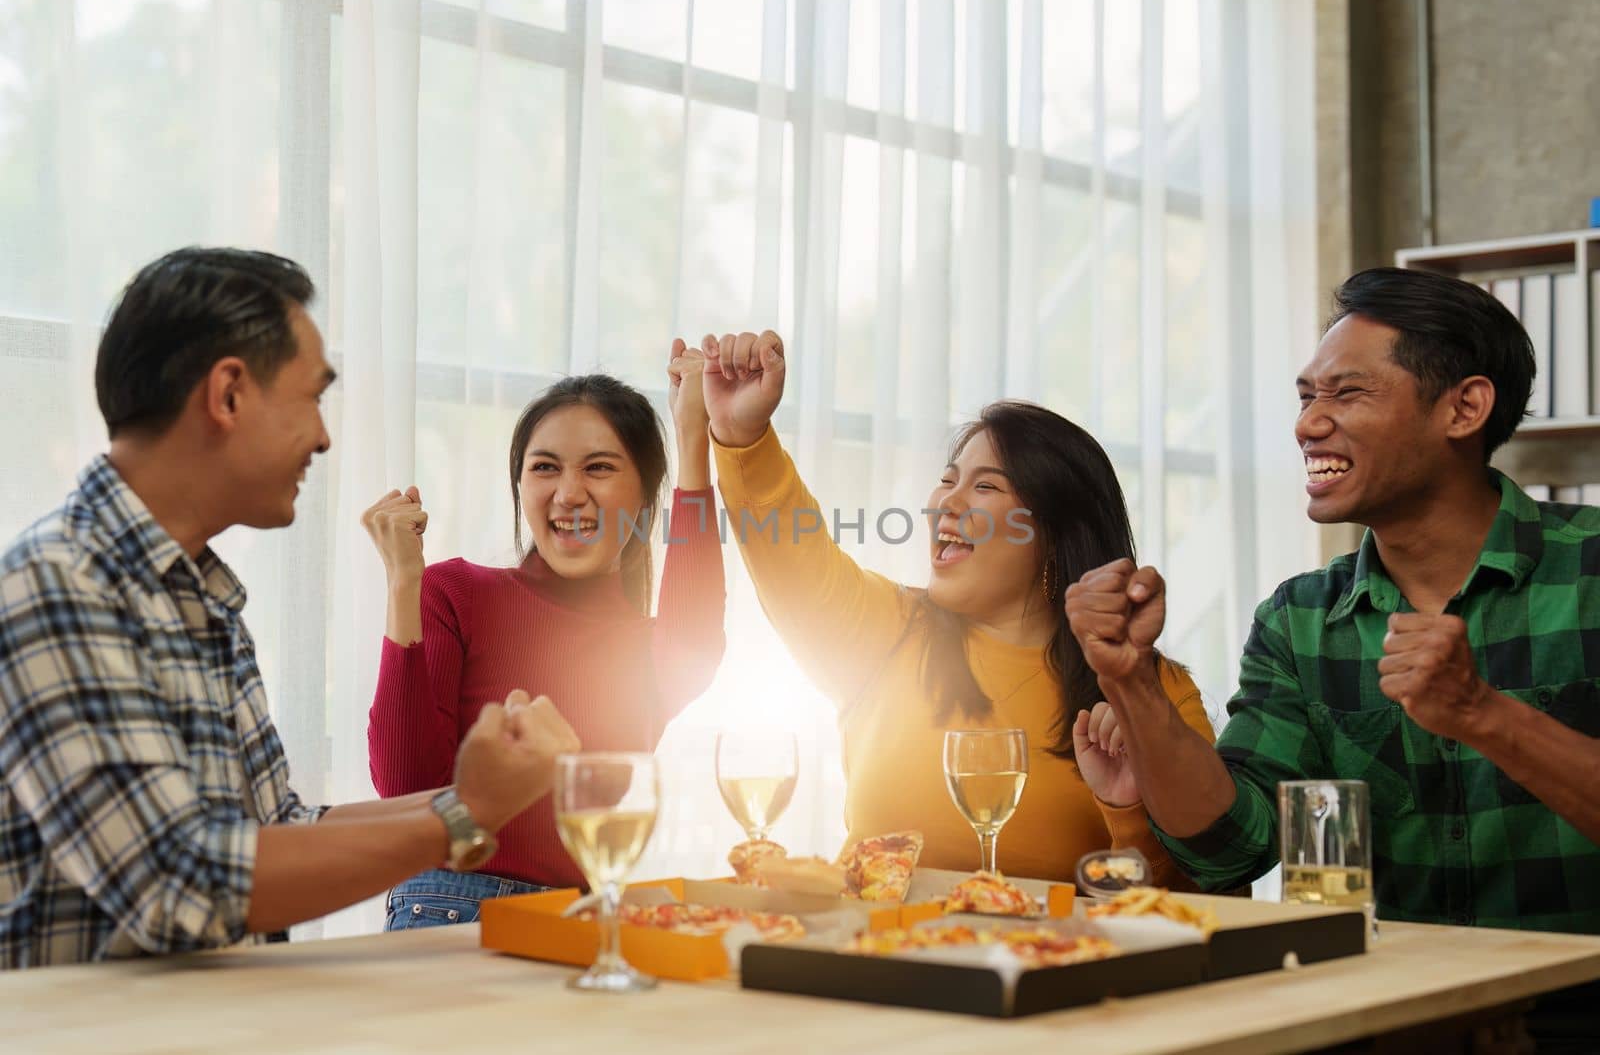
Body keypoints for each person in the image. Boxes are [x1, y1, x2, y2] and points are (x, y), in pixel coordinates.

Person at [0, 248, 580, 969]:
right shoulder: (59, 583)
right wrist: (460, 813)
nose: (325, 435)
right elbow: (181, 883)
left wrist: (475, 797)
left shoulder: (201, 596)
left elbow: (278, 825)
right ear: (229, 395)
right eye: (312, 396)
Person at [1065, 267, 1600, 935]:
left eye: (1346, 393)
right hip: (1391, 1019)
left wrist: (1483, 714)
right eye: (1306, 396)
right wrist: (1128, 678)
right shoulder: (1298, 621)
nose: (1308, 424)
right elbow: (1230, 843)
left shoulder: (1591, 568)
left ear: (1463, 409)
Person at [700, 330, 1214, 884]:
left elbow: (1206, 893)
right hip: (874, 959)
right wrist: (741, 433)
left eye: (985, 487)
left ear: (1052, 531)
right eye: (948, 481)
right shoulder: (888, 631)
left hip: (1055, 963)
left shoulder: (1154, 697)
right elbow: (788, 551)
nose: (947, 502)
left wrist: (1130, 809)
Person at [364, 346, 726, 928]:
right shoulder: (453, 592)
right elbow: (408, 790)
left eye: (600, 468)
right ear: (519, 486)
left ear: (643, 499)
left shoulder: (648, 652)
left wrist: (693, 437)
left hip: (578, 922)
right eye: (546, 467)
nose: (568, 493)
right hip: (448, 913)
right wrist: (402, 584)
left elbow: (698, 637)